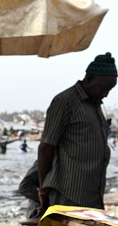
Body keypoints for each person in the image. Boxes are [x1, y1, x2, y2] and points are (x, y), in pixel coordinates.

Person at [38, 52, 117, 214]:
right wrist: (42, 189)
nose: (106, 94)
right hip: (68, 192)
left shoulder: (95, 105)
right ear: (89, 78)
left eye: (109, 90)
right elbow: (46, 146)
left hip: (93, 194)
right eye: (103, 88)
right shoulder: (65, 101)